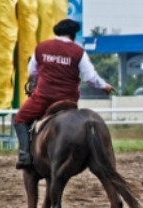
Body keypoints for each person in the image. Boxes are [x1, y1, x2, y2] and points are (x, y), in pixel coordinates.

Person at [13, 18, 114, 169]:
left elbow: (32, 71)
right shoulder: (78, 52)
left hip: (43, 98)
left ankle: (24, 156)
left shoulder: (42, 48)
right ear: (73, 35)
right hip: (68, 100)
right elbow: (90, 77)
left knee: (20, 119)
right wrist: (104, 86)